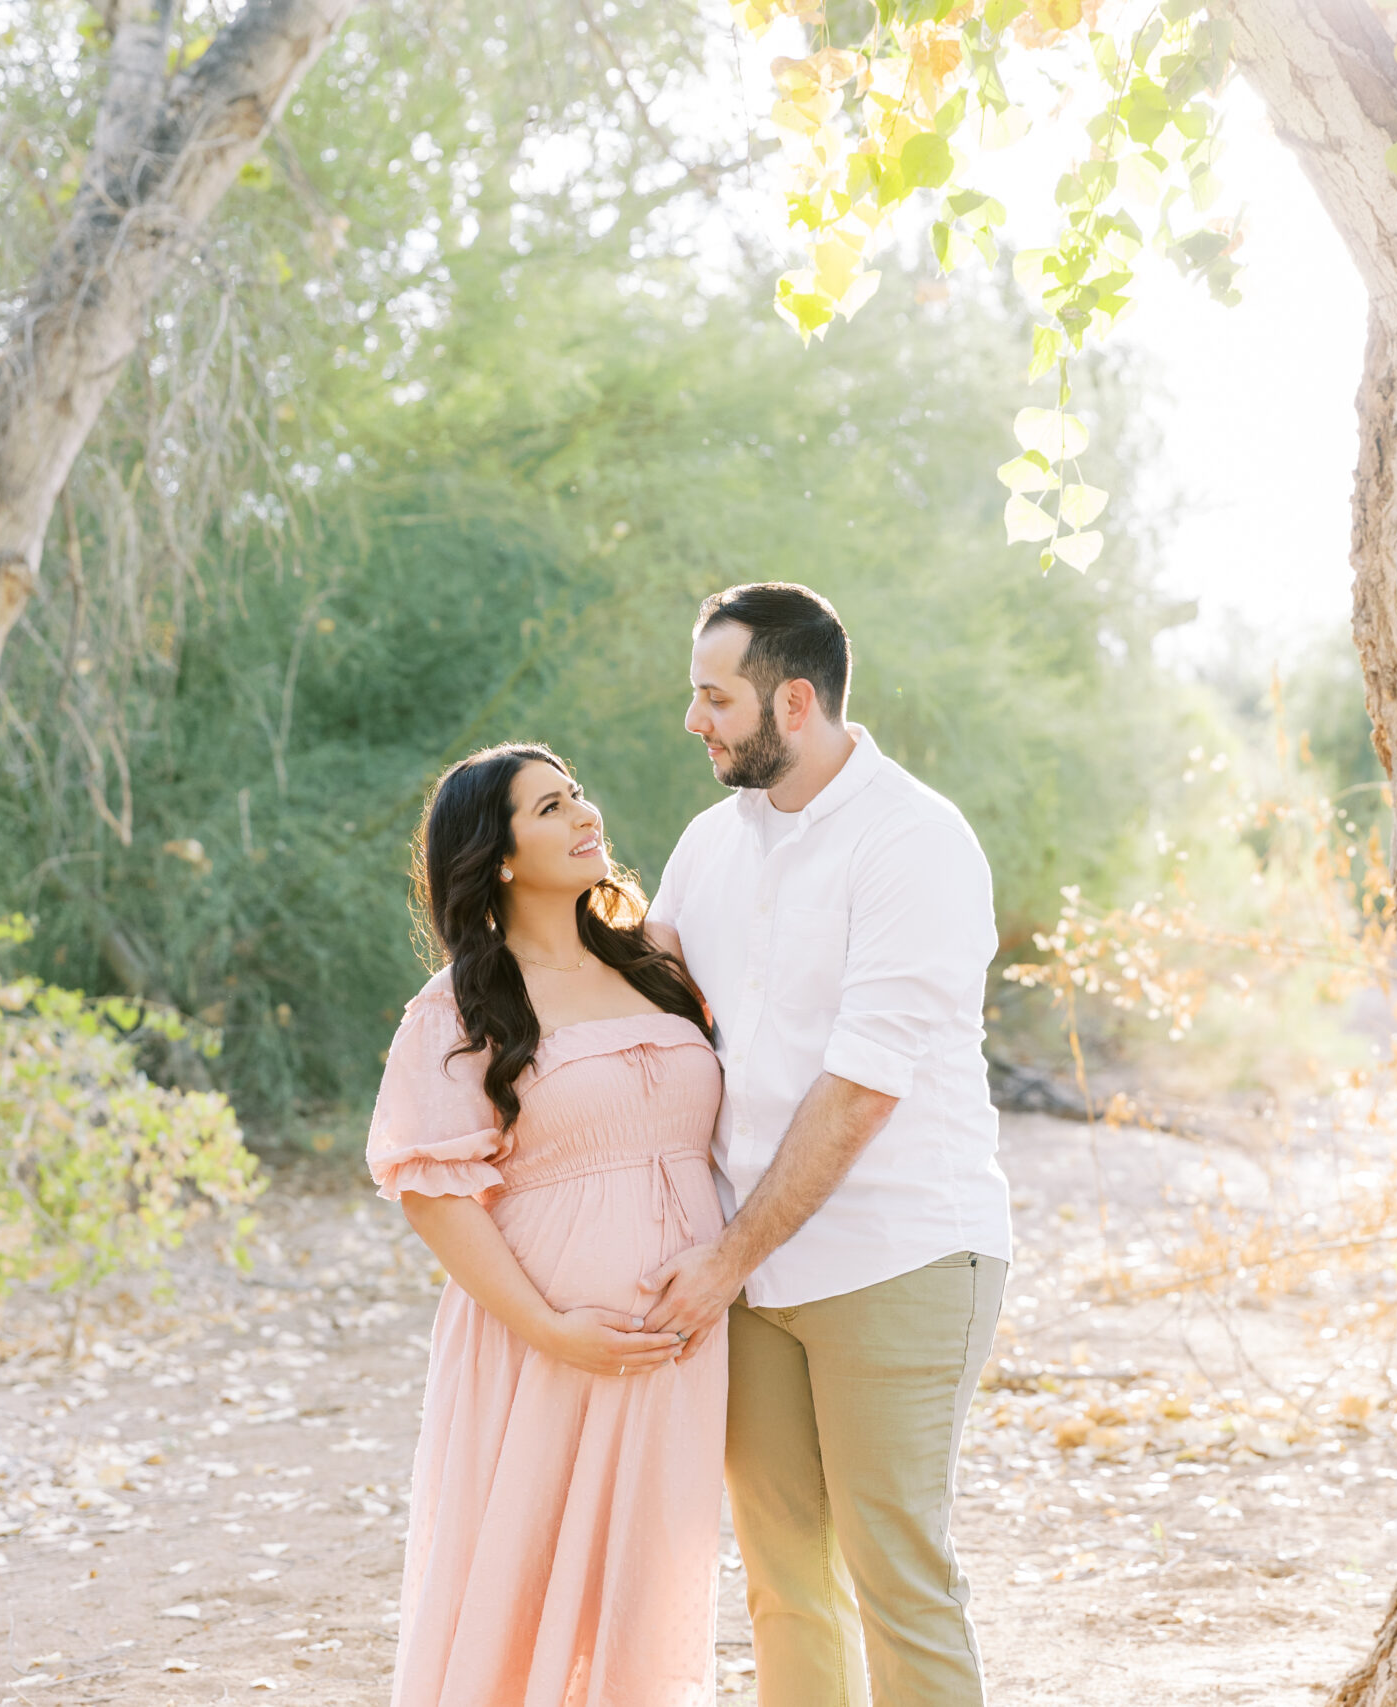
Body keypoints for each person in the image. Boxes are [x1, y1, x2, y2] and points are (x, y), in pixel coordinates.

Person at [641, 583, 1014, 1705]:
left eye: (715, 698)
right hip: (750, 1276)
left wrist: (720, 1259)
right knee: (782, 1584)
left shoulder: (916, 842)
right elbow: (644, 1005)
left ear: (792, 701)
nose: (695, 720)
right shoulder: (709, 843)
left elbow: (859, 1092)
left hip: (897, 1254)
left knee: (895, 1575)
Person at [365, 742, 725, 1707]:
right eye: (551, 808)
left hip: (681, 1340)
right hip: (545, 1341)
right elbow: (435, 1192)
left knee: (647, 1593)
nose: (585, 815)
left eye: (579, 794)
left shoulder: (658, 962)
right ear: (501, 855)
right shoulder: (461, 1004)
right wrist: (549, 1328)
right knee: (521, 1601)